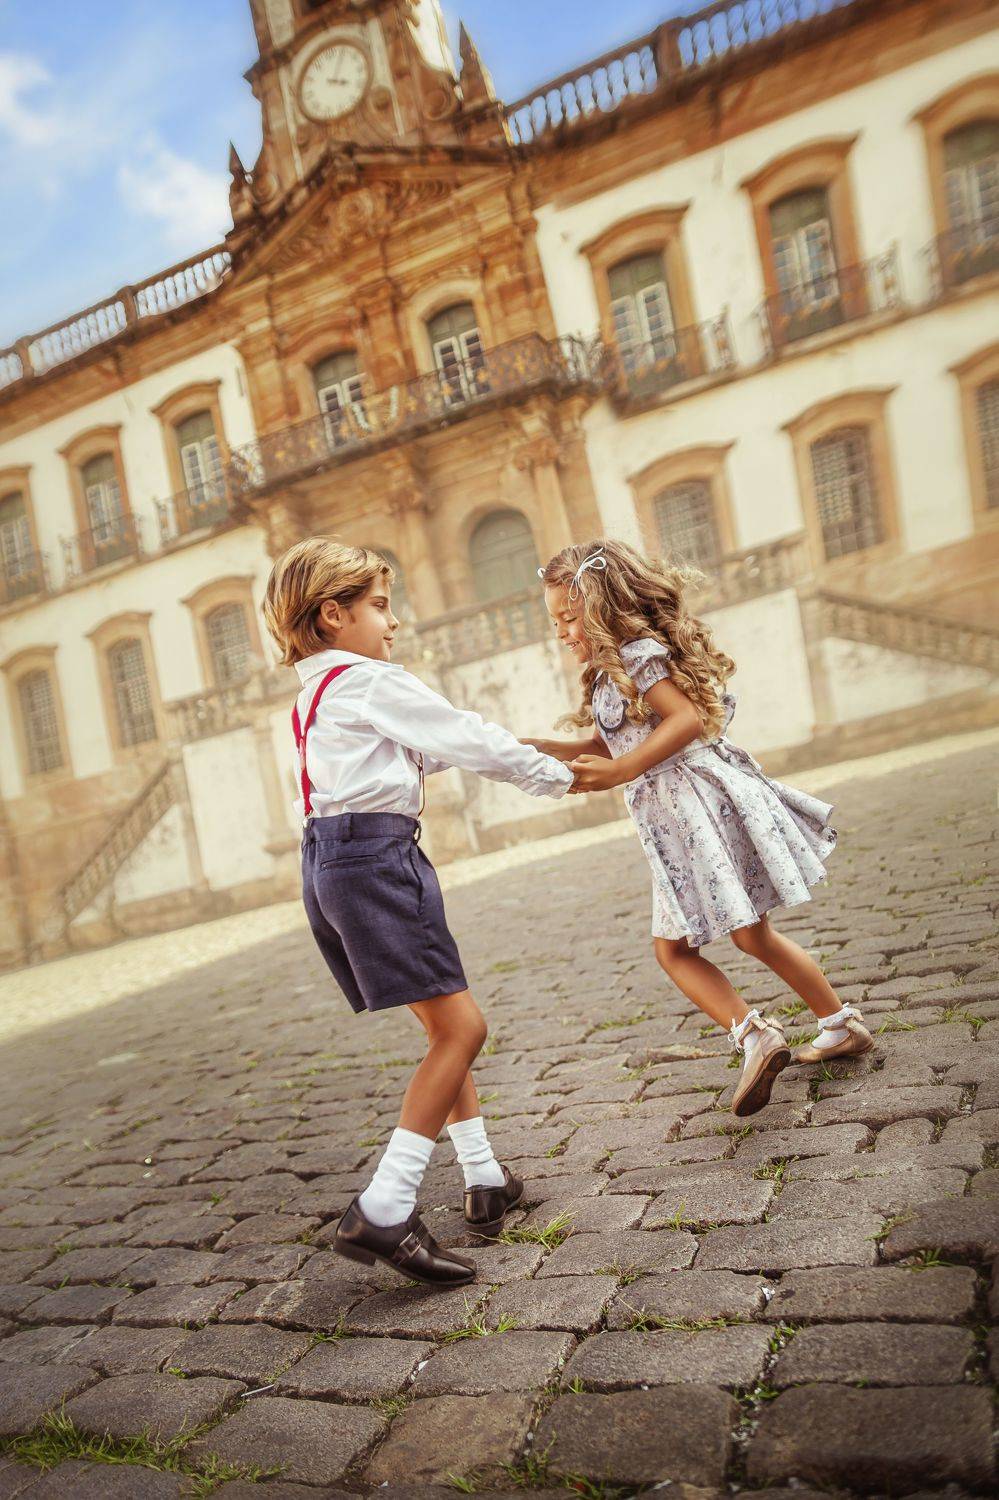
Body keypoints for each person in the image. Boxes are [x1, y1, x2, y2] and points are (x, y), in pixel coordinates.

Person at [263, 538, 574, 1285]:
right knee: (463, 1030)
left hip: (333, 863)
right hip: (376, 861)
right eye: (379, 606)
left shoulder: (317, 693)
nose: (393, 621)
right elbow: (461, 734)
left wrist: (543, 748)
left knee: (442, 1025)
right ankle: (385, 1205)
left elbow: (429, 749)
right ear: (331, 614)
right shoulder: (367, 679)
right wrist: (558, 776)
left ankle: (482, 1175)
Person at [526, 539, 874, 1116]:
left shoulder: (638, 655)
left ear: (603, 608)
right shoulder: (610, 673)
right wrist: (542, 747)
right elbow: (617, 739)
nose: (562, 632)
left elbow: (684, 718)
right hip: (676, 820)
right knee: (749, 937)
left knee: (676, 950)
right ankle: (837, 1025)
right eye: (555, 621)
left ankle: (756, 1034)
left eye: (568, 618)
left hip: (695, 809)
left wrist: (622, 771)